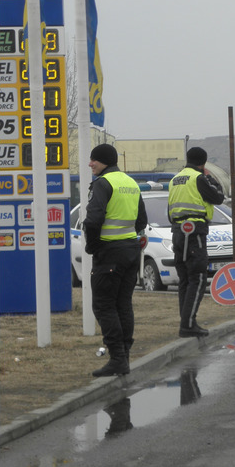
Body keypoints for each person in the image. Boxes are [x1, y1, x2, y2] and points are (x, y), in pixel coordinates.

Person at [83, 144, 148, 377]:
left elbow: (92, 221)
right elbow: (142, 219)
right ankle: (124, 356)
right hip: (130, 251)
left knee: (103, 305)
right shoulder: (130, 182)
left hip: (109, 253)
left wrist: (92, 246)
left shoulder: (103, 183)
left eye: (94, 160)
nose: (90, 163)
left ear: (105, 162)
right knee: (123, 304)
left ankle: (118, 358)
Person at [167, 147, 225, 338]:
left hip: (177, 231)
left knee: (184, 280)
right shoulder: (198, 178)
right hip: (195, 232)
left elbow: (170, 211)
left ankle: (186, 322)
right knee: (198, 278)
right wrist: (209, 177)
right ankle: (188, 324)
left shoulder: (175, 179)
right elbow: (218, 196)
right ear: (203, 163)